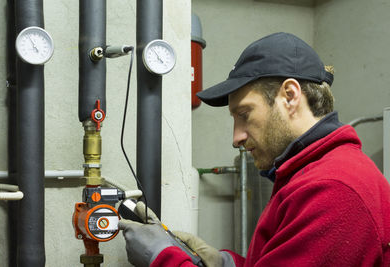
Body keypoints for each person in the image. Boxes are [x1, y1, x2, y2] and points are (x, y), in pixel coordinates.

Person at [119, 32, 390, 266]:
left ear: (290, 96)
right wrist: (226, 263)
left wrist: (163, 257)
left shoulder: (333, 189)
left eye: (244, 114)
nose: (236, 138)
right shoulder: (307, 175)